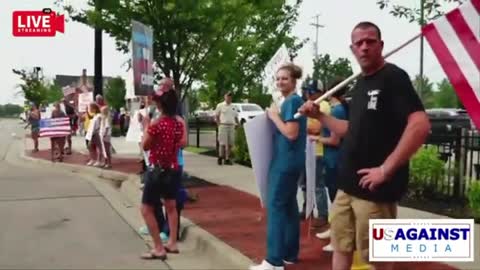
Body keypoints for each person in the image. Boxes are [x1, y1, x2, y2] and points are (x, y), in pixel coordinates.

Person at [299, 21, 431, 270]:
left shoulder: (393, 77)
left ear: (381, 45)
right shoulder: (360, 84)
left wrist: (385, 169)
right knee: (341, 247)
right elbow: (351, 130)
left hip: (376, 192)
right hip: (346, 186)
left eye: (370, 41)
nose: (364, 47)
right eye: (359, 43)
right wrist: (320, 117)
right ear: (352, 49)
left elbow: (420, 124)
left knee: (378, 257)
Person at [249, 64, 306, 270]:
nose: (280, 82)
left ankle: (273, 260)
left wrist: (274, 117)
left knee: (275, 207)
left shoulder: (291, 101)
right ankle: (290, 254)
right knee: (289, 207)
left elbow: (291, 133)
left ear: (293, 81)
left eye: (285, 78)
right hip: (292, 161)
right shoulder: (294, 101)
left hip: (285, 162)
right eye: (278, 78)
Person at [140, 78, 185, 260]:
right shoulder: (177, 123)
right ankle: (172, 243)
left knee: (146, 209)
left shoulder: (156, 124)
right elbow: (181, 143)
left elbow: (145, 146)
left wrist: (145, 127)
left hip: (157, 170)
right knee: (171, 206)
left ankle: (158, 247)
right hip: (173, 168)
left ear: (161, 103)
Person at [314, 78, 349, 252]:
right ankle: (334, 230)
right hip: (333, 159)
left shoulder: (337, 111)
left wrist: (316, 138)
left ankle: (338, 237)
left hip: (335, 159)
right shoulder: (339, 109)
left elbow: (335, 141)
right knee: (335, 199)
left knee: (337, 200)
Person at [298, 79, 331, 229]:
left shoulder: (323, 105)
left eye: (308, 90)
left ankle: (323, 214)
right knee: (304, 183)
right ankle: (307, 208)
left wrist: (304, 127)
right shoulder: (309, 105)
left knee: (318, 184)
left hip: (318, 150)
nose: (306, 93)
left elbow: (317, 127)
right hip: (307, 149)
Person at [215, 92, 239, 165]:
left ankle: (227, 158)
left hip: (231, 126)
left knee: (230, 143)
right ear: (225, 97)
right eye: (227, 97)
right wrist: (218, 124)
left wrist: (237, 123)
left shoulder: (234, 106)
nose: (229, 98)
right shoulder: (220, 105)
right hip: (223, 125)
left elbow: (235, 116)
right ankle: (220, 157)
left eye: (230, 97)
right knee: (222, 143)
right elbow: (216, 116)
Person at [85, 102, 102, 167]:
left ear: (94, 109)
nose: (90, 109)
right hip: (91, 133)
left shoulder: (99, 116)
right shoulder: (95, 115)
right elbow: (90, 117)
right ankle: (92, 159)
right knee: (90, 146)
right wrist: (87, 111)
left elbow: (100, 125)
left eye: (90, 108)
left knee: (98, 147)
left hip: (96, 133)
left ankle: (99, 160)